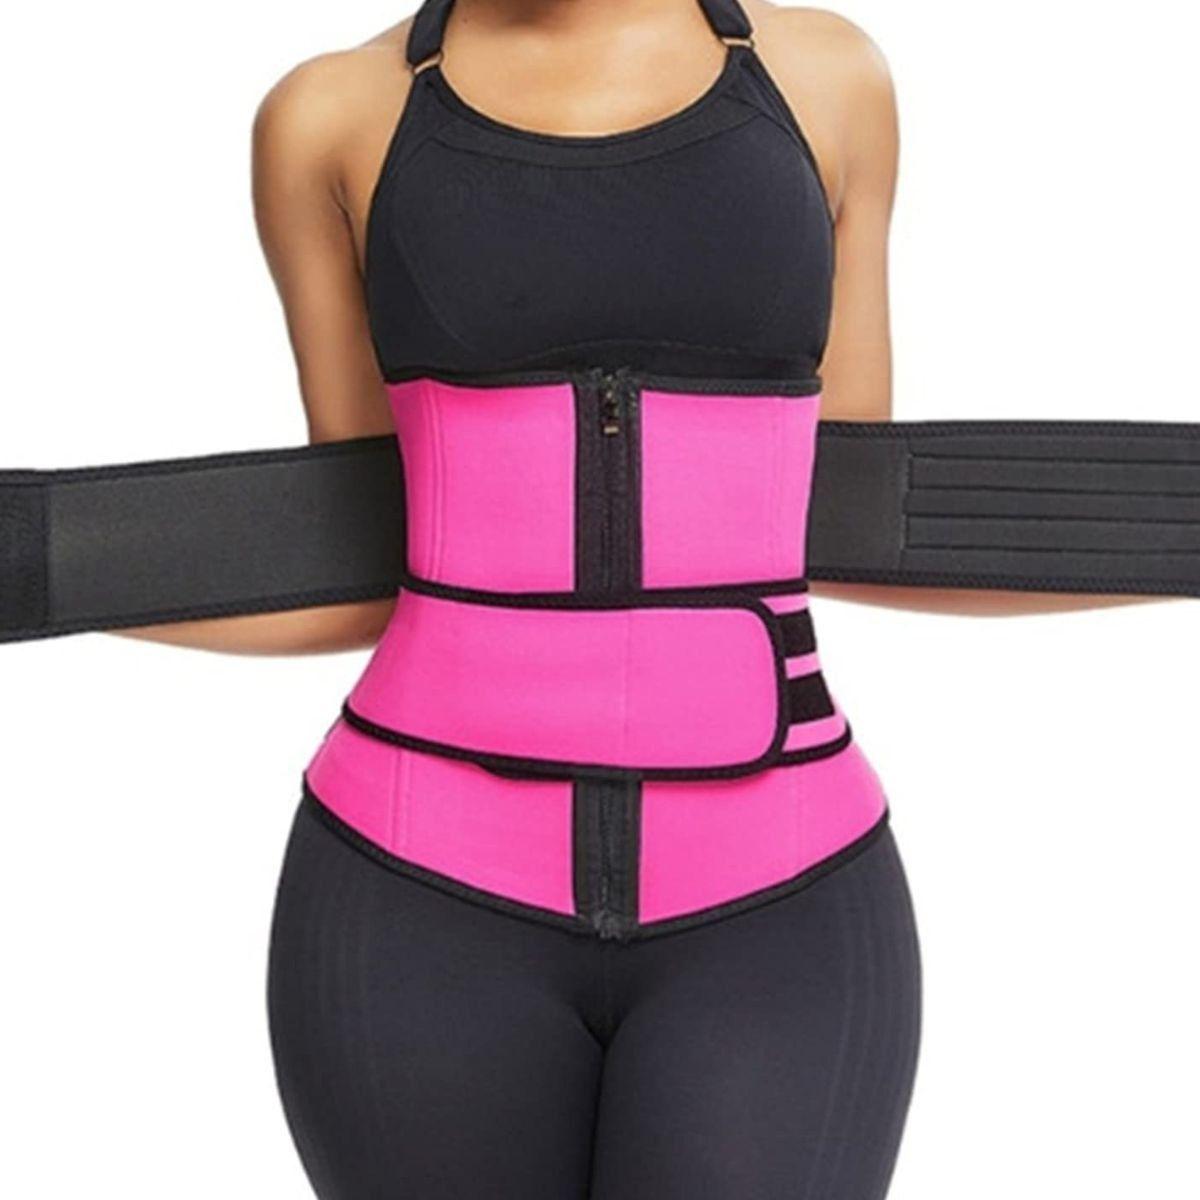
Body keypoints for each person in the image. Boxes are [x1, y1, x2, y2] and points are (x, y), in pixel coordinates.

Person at [95, 1, 1159, 1196]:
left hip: (781, 893)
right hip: (412, 892)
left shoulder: (827, 81)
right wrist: (51, 564)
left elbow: (852, 515)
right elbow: (354, 548)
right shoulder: (331, 116)